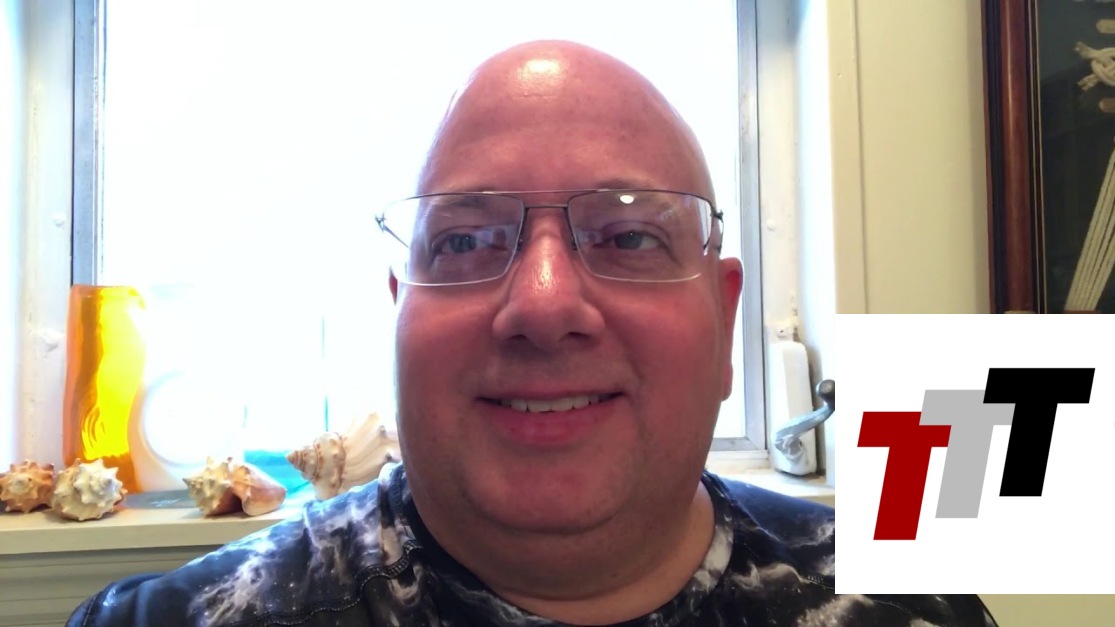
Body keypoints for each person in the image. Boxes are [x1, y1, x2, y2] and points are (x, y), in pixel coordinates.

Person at [67, 40, 997, 627]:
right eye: (465, 241)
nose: (544, 305)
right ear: (398, 314)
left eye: (628, 236)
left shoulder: (909, 602)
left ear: (724, 325)